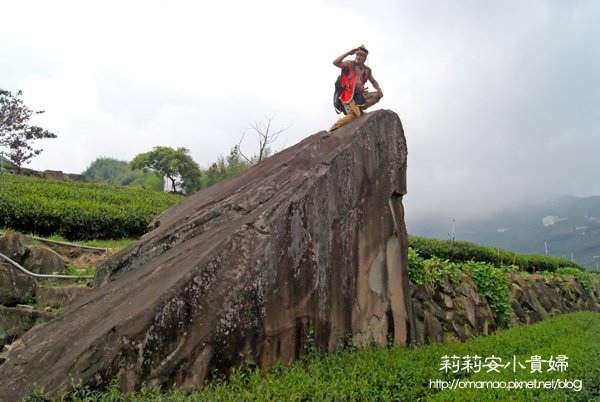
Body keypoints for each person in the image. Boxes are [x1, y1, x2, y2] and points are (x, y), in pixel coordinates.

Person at [330, 45, 384, 131]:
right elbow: (335, 62)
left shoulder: (367, 70)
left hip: (359, 96)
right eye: (357, 55)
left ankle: (360, 109)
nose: (358, 57)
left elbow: (373, 81)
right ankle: (335, 127)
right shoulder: (349, 64)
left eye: (360, 55)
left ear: (365, 58)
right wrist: (348, 53)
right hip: (347, 97)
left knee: (378, 95)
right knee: (354, 115)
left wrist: (379, 89)